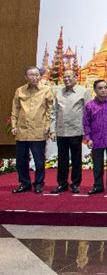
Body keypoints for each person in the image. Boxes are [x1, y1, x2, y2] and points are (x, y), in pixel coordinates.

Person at [10, 66, 54, 194]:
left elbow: (50, 110)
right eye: (31, 75)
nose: (34, 77)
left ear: (40, 76)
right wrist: (14, 125)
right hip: (22, 130)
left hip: (38, 130)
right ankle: (25, 183)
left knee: (39, 161)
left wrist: (48, 126)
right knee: (21, 161)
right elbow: (15, 109)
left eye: (36, 75)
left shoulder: (46, 90)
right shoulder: (20, 91)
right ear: (26, 77)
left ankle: (39, 184)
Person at [50, 69, 89, 194]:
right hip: (61, 131)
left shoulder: (83, 92)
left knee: (76, 159)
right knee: (62, 159)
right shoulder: (58, 93)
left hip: (76, 130)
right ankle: (62, 184)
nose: (67, 79)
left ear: (75, 78)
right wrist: (52, 130)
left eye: (69, 77)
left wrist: (87, 132)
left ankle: (76, 183)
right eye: (65, 77)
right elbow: (53, 112)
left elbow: (88, 113)